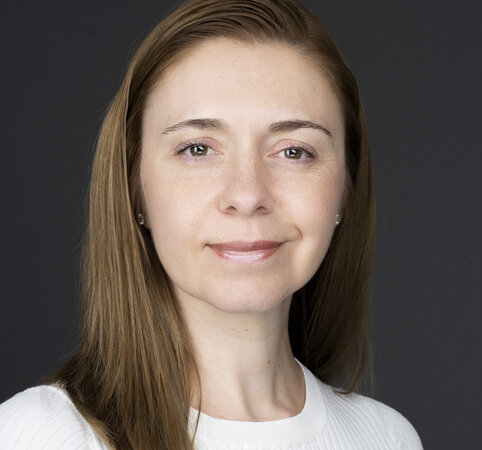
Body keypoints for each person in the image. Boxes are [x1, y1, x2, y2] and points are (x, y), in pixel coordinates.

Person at [0, 0, 423, 448]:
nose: (247, 195)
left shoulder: (387, 438)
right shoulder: (40, 435)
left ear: (346, 187)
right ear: (134, 187)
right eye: (198, 149)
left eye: (293, 151)